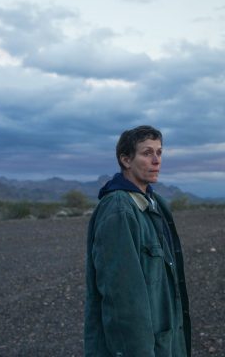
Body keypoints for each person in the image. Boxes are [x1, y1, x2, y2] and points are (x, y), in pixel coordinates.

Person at [84, 126, 191, 356]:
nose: (156, 161)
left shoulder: (155, 203)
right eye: (146, 153)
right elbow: (122, 299)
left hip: (163, 344)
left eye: (159, 153)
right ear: (125, 160)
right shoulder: (119, 210)